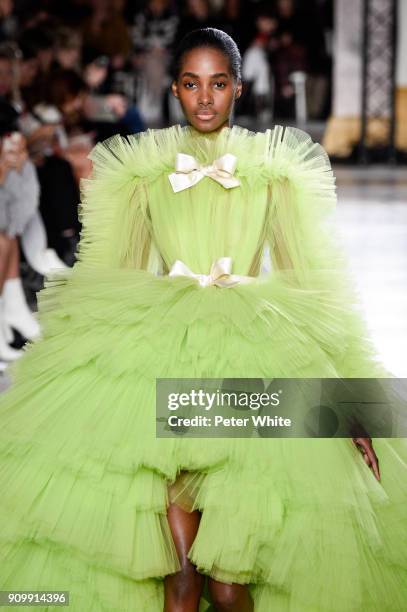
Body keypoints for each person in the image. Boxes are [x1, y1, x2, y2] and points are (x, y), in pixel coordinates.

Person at [0, 27, 406, 612]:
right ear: (175, 88)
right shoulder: (140, 171)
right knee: (181, 577)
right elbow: (103, 282)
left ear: (238, 89)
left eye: (218, 84)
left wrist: (352, 408)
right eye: (192, 84)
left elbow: (318, 291)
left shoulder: (275, 171)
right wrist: (62, 387)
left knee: (230, 583)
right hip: (162, 360)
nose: (206, 98)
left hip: (251, 363)